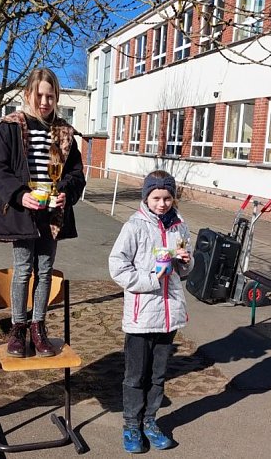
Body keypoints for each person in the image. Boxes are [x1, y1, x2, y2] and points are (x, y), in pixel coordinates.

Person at [0, 68, 86, 358]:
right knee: (22, 270)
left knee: (44, 271)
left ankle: (37, 326)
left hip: (52, 213)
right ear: (28, 94)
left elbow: (76, 173)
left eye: (50, 96)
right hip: (23, 210)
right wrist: (19, 195)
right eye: (39, 95)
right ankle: (17, 328)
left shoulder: (63, 132)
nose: (45, 102)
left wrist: (67, 190)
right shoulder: (12, 126)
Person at [108, 169, 192, 453]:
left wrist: (185, 261)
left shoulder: (179, 226)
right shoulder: (134, 226)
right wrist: (149, 280)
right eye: (156, 197)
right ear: (146, 197)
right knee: (136, 376)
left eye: (167, 197)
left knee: (158, 375)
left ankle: (150, 422)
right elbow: (117, 266)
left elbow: (184, 269)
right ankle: (131, 425)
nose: (162, 203)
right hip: (141, 315)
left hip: (169, 315)